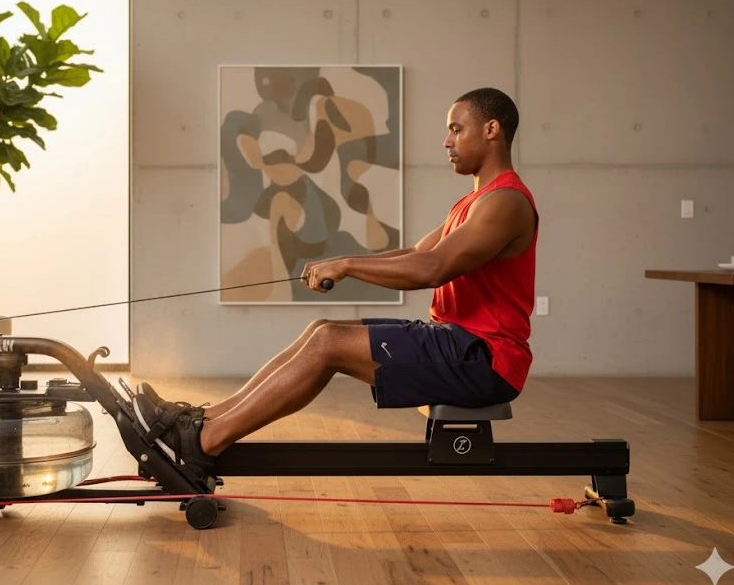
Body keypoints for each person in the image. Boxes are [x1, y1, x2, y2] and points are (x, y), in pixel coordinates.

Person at [133, 87, 538, 481]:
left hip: (485, 359)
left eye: (456, 129)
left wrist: (346, 265)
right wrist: (340, 263)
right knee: (321, 330)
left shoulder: (506, 202)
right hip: (457, 343)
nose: (447, 141)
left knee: (328, 344)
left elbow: (432, 268)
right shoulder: (476, 202)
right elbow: (415, 252)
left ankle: (203, 443)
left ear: (491, 129)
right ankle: (203, 421)